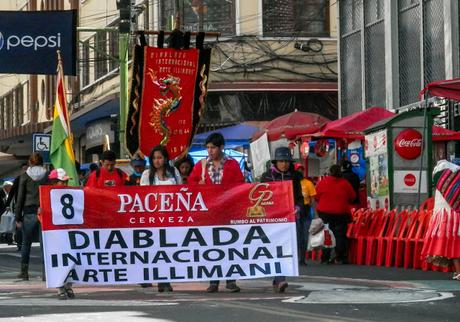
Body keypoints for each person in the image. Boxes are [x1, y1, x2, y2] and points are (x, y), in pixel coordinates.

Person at [188, 132, 244, 293]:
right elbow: (191, 184)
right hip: (210, 214)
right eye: (208, 148)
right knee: (212, 247)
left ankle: (231, 280)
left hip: (228, 212)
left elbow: (240, 186)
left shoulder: (232, 164)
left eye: (213, 147)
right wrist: (199, 183)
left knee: (230, 246)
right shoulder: (201, 165)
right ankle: (214, 281)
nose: (210, 151)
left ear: (221, 147)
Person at [260, 147, 304, 293]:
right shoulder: (266, 176)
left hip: (289, 219)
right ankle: (278, 278)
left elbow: (299, 197)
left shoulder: (296, 176)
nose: (284, 164)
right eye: (281, 161)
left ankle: (280, 278)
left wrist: (297, 207)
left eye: (286, 161)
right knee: (273, 248)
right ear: (275, 162)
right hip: (271, 219)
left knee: (286, 248)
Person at [140, 145, 182, 292]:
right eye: (154, 158)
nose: (157, 161)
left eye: (160, 158)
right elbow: (142, 196)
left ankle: (168, 279)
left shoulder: (174, 172)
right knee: (157, 250)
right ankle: (159, 279)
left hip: (171, 218)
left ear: (165, 159)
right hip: (154, 218)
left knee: (170, 249)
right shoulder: (146, 174)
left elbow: (181, 191)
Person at [422, 160, 460, 280]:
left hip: (446, 217)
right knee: (455, 244)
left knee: (453, 245)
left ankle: (458, 271)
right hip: (455, 215)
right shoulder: (456, 179)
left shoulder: (439, 181)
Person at [15, 153, 48, 280]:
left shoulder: (24, 176)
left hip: (28, 212)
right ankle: (46, 274)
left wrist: (17, 217)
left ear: (29, 162)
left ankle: (24, 272)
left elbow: (20, 198)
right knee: (43, 244)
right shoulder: (47, 175)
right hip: (43, 211)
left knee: (26, 243)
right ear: (42, 162)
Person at [315, 164, 356, 265]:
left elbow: (316, 196)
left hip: (324, 212)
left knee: (326, 234)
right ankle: (340, 257)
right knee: (340, 235)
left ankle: (325, 258)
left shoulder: (323, 182)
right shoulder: (345, 183)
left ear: (330, 172)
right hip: (340, 212)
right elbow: (353, 197)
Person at [48, 168, 76, 300]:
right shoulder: (46, 195)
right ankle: (60, 288)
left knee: (73, 259)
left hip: (70, 232)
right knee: (59, 260)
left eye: (66, 182)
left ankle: (69, 285)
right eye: (62, 182)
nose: (65, 185)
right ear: (54, 182)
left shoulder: (73, 194)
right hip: (54, 234)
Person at [294, 163, 316, 265]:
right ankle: (296, 257)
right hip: (295, 211)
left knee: (304, 235)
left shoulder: (308, 183)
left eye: (301, 169)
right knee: (297, 235)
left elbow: (312, 199)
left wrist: (314, 212)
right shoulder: (292, 183)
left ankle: (302, 258)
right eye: (298, 169)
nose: (300, 171)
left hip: (305, 211)